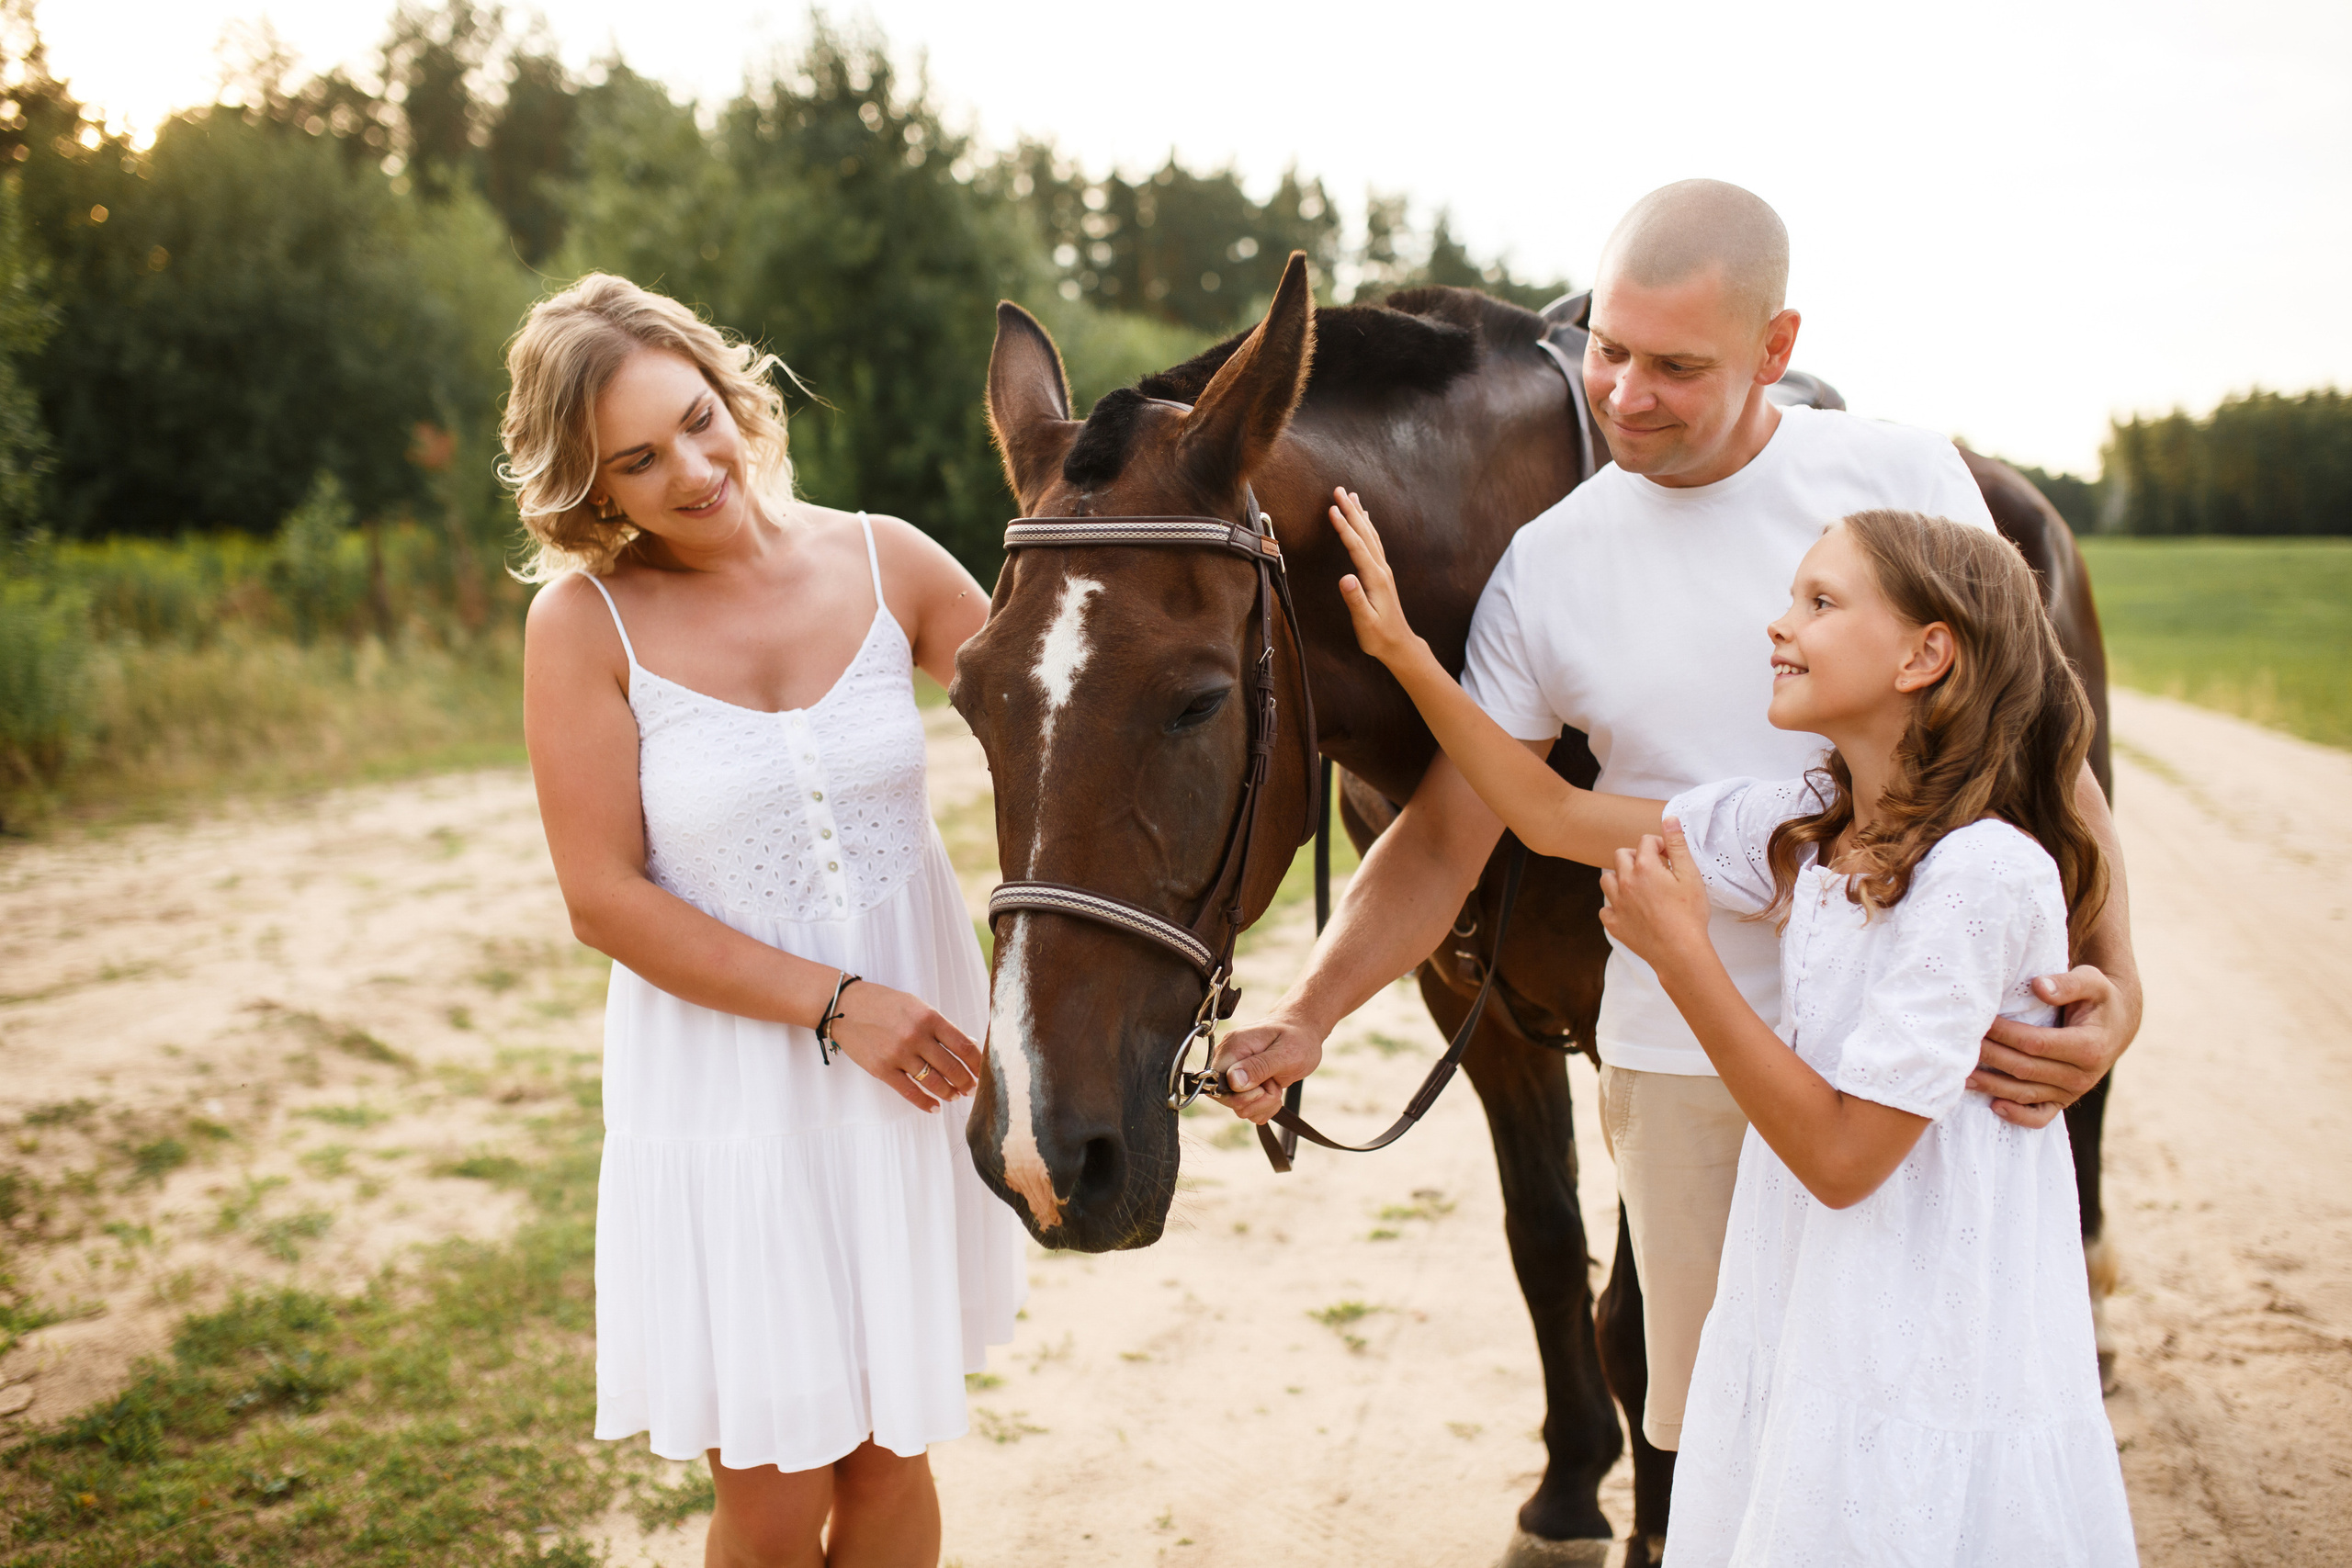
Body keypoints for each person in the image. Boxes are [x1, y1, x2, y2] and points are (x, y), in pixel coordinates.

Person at [1212, 179, 2141, 1460]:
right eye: (1609, 347)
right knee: (1714, 1441)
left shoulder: (1900, 474)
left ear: (1777, 350)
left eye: (1677, 364)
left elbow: (2045, 749)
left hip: (1927, 1062)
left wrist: (2121, 987)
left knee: (1935, 1430)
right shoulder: (1552, 564)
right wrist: (1308, 1011)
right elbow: (1454, 830)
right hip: (1688, 1069)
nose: (1627, 392)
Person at [1328, 496, 2137, 1563]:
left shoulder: (1983, 878)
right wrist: (1404, 655)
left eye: (1819, 600)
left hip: (1925, 1331)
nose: (1778, 624)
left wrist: (1684, 958)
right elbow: (1549, 813)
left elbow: (1845, 1158)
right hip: (1823, 1300)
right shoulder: (1811, 831)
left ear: (1924, 655)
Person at [503, 273, 1023, 1568]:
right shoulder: (583, 625)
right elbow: (602, 895)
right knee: (777, 1491)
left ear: (735, 394)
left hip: (915, 1078)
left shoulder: (887, 557)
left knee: (892, 1453)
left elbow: (1062, 728)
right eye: (636, 457)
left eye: (695, 419)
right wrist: (839, 1002)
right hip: (730, 1095)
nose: (690, 467)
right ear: (591, 485)